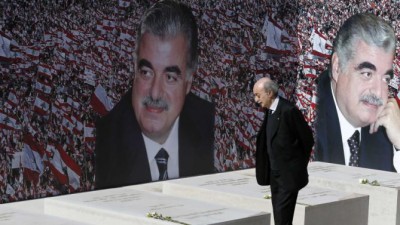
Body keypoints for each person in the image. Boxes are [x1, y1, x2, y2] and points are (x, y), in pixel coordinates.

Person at [95, 0, 215, 189]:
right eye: (146, 72)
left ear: (188, 82)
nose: (155, 92)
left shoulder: (211, 124)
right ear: (134, 69)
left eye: (170, 77)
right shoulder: (100, 143)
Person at [315, 13, 400, 172]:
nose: (378, 92)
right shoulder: (308, 120)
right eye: (367, 74)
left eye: (386, 79)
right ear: (337, 67)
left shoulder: (388, 130)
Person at [254, 77, 314, 225]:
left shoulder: (288, 110)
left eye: (258, 95)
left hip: (288, 177)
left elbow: (307, 139)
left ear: (269, 93)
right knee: (280, 218)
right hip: (275, 177)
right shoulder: (270, 111)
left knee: (282, 220)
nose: (256, 100)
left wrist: (296, 166)